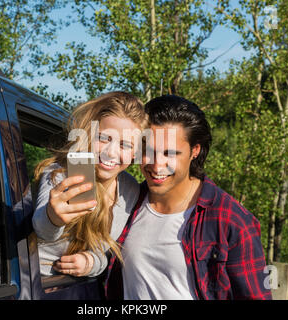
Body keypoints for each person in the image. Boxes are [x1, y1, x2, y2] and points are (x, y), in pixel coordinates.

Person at [105, 95, 272, 300]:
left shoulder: (230, 220)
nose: (157, 166)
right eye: (148, 150)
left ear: (195, 150)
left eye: (170, 153)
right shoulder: (124, 201)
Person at [32, 91, 148, 280]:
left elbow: (105, 252)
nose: (111, 152)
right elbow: (42, 229)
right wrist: (53, 217)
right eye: (104, 138)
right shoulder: (61, 173)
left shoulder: (130, 188)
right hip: (35, 284)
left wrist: (91, 263)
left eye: (125, 145)